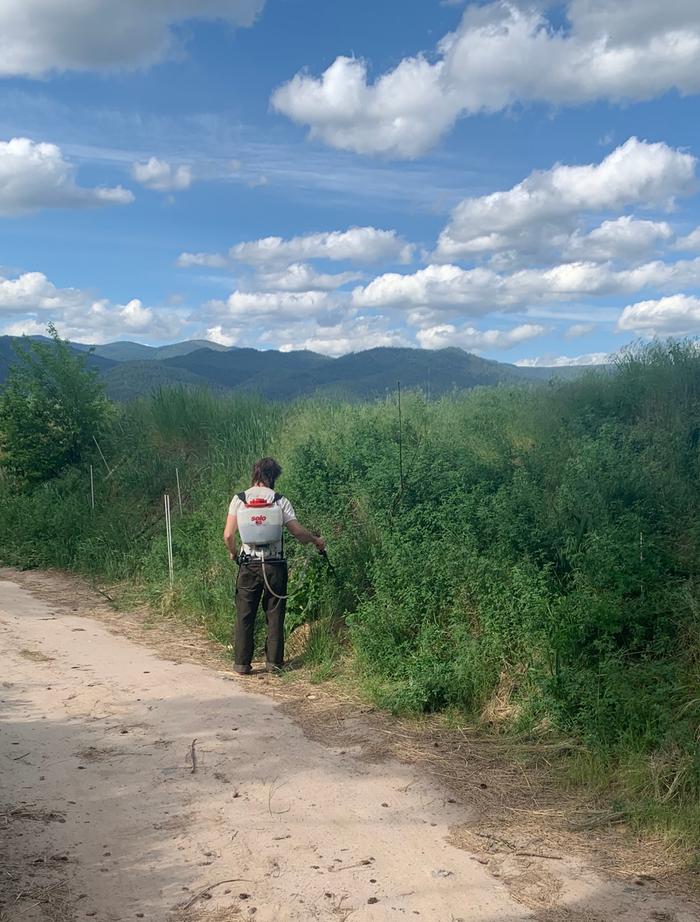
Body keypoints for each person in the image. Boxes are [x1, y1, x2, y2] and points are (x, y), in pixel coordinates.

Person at [223, 457, 325, 674]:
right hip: (275, 564)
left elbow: (228, 535)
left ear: (255, 474)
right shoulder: (280, 501)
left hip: (248, 564)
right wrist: (315, 540)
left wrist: (233, 554)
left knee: (244, 614)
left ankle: (242, 664)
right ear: (272, 477)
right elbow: (297, 532)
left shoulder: (239, 499)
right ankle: (274, 664)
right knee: (275, 614)